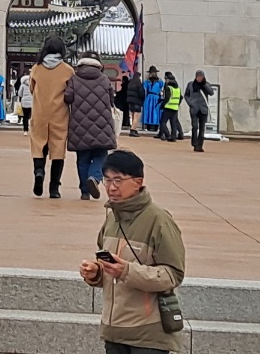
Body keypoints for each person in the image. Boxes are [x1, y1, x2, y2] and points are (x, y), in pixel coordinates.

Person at [78, 149, 187, 354]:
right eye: (107, 180)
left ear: (138, 182)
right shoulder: (112, 218)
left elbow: (173, 275)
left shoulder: (159, 220)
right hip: (114, 331)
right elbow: (108, 267)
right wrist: (96, 272)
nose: (111, 187)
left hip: (148, 335)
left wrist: (127, 271)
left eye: (118, 180)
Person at [65, 56, 118, 200]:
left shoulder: (74, 79)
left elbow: (68, 98)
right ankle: (94, 176)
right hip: (102, 124)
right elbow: (111, 100)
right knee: (101, 155)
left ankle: (85, 192)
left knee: (83, 160)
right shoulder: (104, 79)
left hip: (80, 125)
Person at [29, 36, 74, 198]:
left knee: (38, 146)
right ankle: (54, 188)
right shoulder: (68, 70)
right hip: (59, 114)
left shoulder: (36, 68)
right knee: (58, 150)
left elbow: (31, 88)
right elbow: (71, 93)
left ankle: (39, 171)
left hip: (40, 113)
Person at [184, 70, 214, 153]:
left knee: (202, 128)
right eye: (198, 77)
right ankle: (194, 142)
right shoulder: (191, 84)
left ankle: (199, 145)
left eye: (201, 77)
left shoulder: (206, 84)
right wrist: (190, 103)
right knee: (195, 126)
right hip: (194, 109)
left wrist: (204, 85)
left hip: (203, 109)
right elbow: (186, 95)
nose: (200, 78)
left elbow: (211, 93)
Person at [158, 73, 183, 143]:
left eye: (166, 79)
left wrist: (162, 105)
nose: (165, 80)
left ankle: (168, 135)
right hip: (175, 108)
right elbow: (181, 97)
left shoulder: (168, 88)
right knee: (173, 123)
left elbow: (167, 98)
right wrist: (177, 104)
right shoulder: (178, 89)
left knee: (162, 122)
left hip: (168, 107)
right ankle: (173, 137)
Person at [141, 67, 164, 134]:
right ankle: (148, 125)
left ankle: (156, 125)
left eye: (154, 72)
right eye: (152, 72)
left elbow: (162, 90)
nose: (153, 74)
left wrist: (161, 98)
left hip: (156, 97)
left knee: (156, 112)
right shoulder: (147, 82)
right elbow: (144, 89)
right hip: (149, 97)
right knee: (148, 111)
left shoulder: (160, 82)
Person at [124, 71, 145, 137]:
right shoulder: (139, 84)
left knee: (133, 116)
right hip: (137, 102)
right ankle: (132, 130)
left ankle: (134, 129)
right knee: (136, 117)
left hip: (130, 102)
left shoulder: (130, 84)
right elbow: (142, 93)